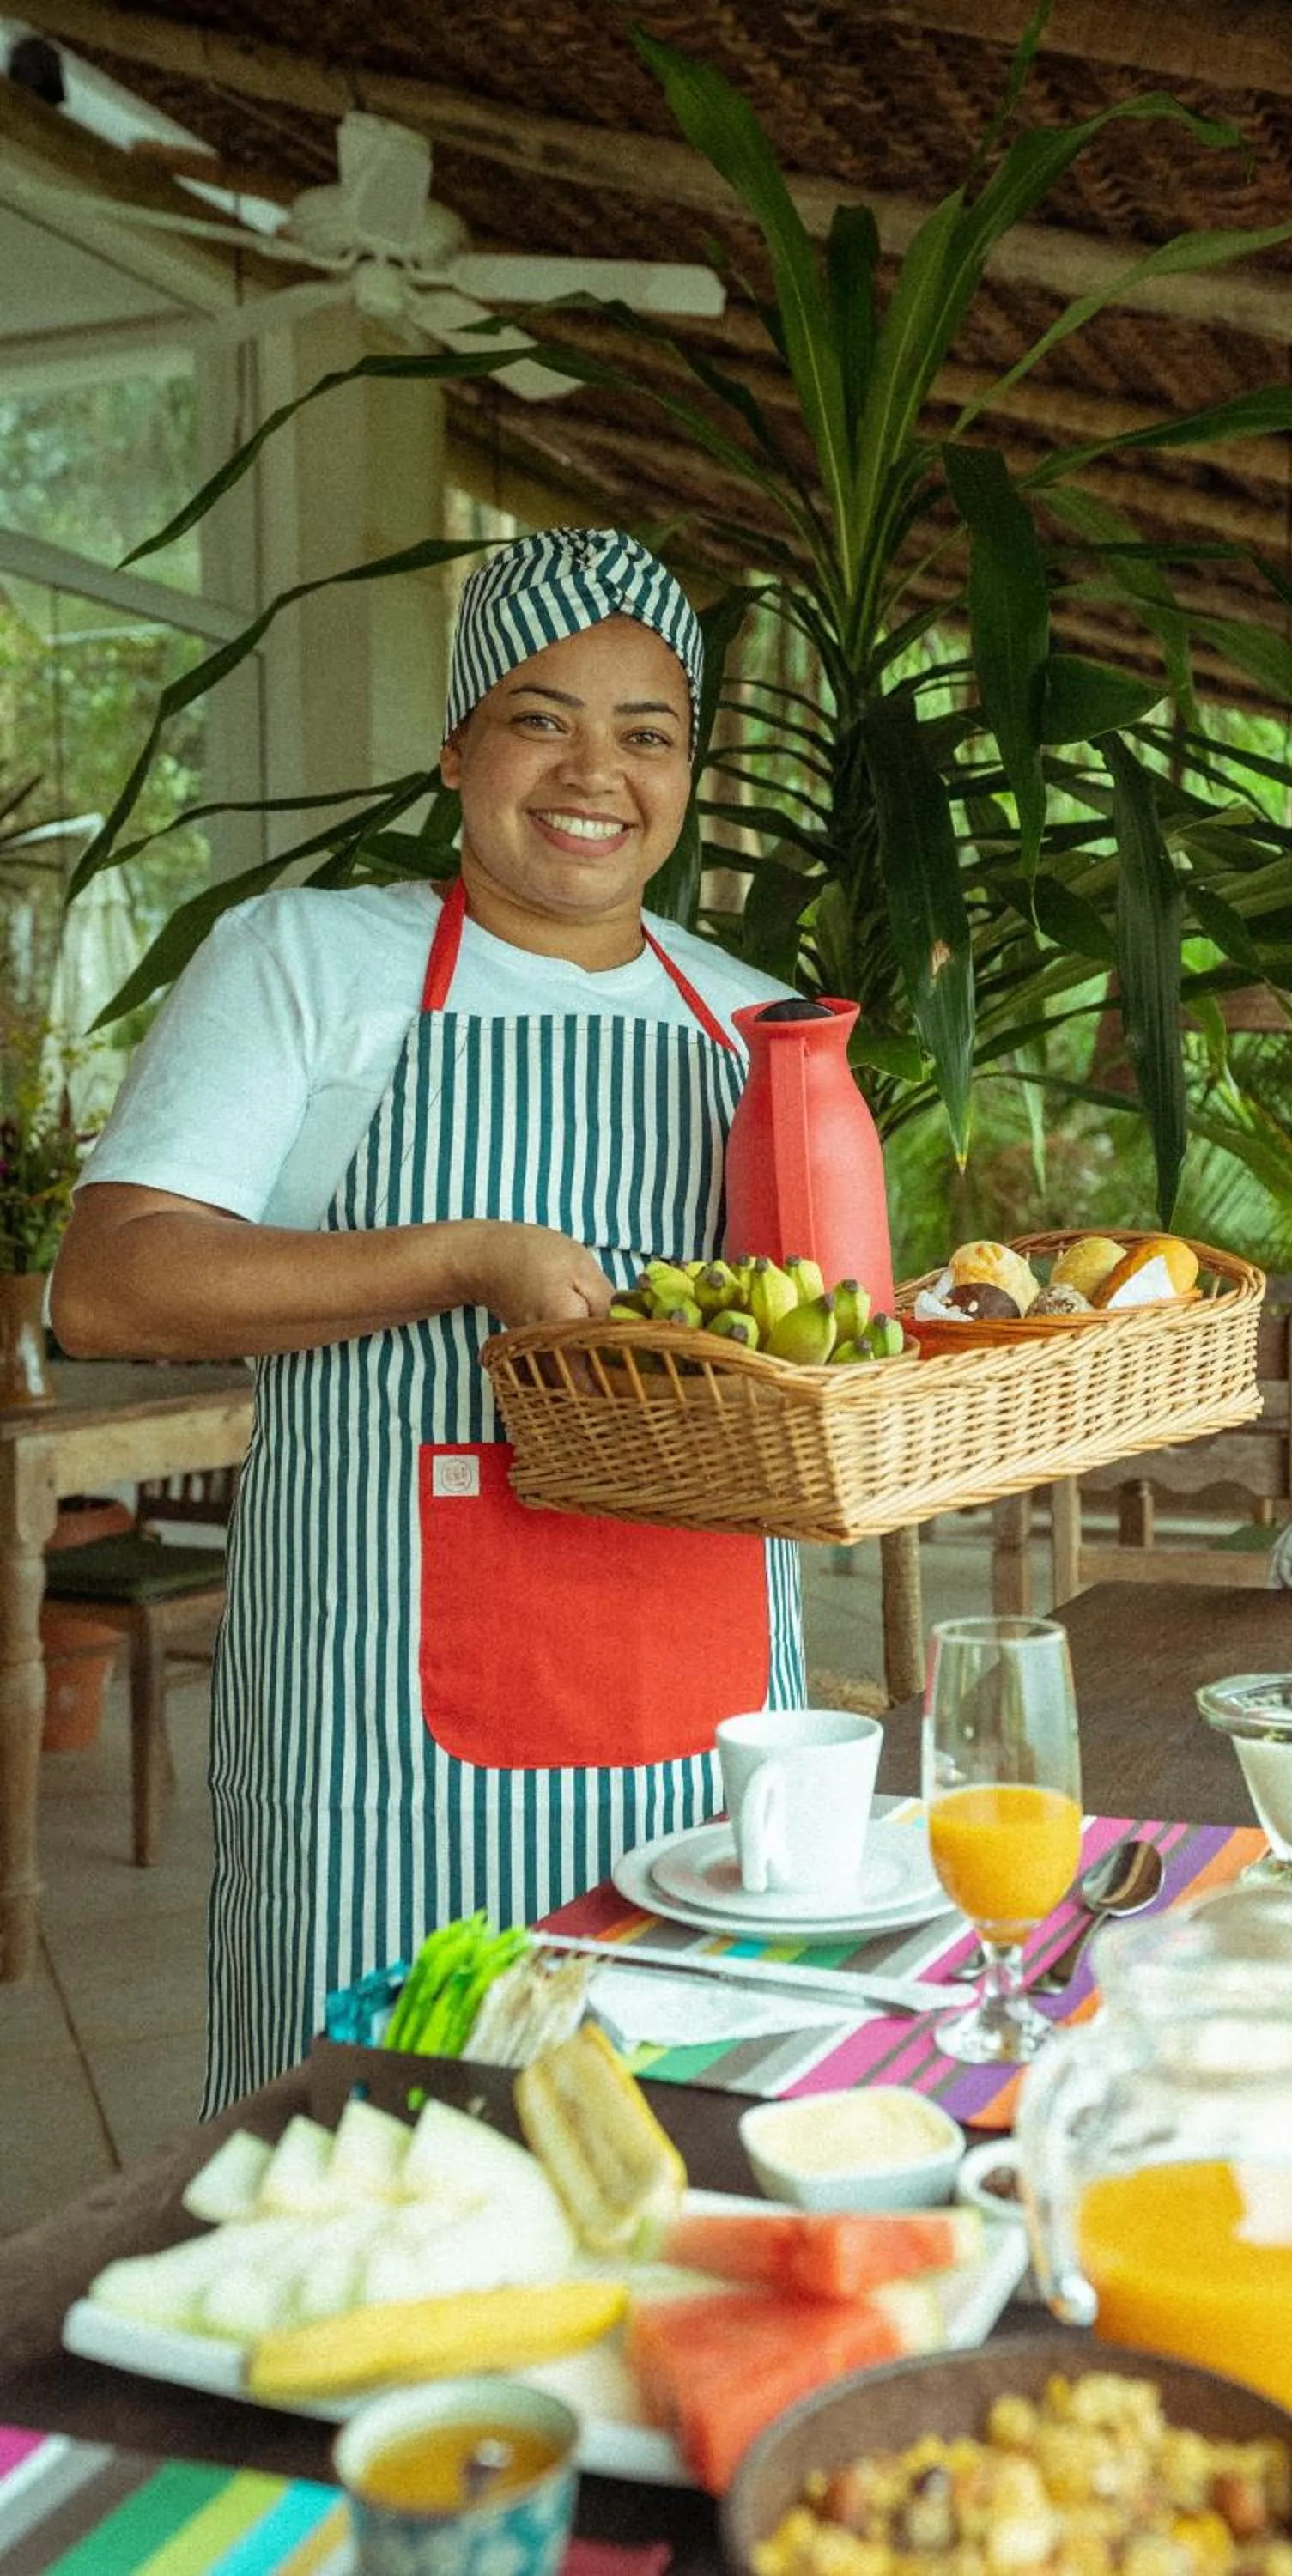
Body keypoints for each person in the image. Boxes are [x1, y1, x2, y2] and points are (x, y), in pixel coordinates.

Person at [52, 527, 807, 2109]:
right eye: (542, 718)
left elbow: (819, 1343)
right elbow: (112, 1283)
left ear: (688, 773)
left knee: (688, 2154)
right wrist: (465, 1258)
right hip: (383, 1728)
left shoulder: (756, 1022)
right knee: (372, 2147)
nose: (595, 772)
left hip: (708, 1707)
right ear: (458, 747)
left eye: (648, 733)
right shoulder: (311, 961)